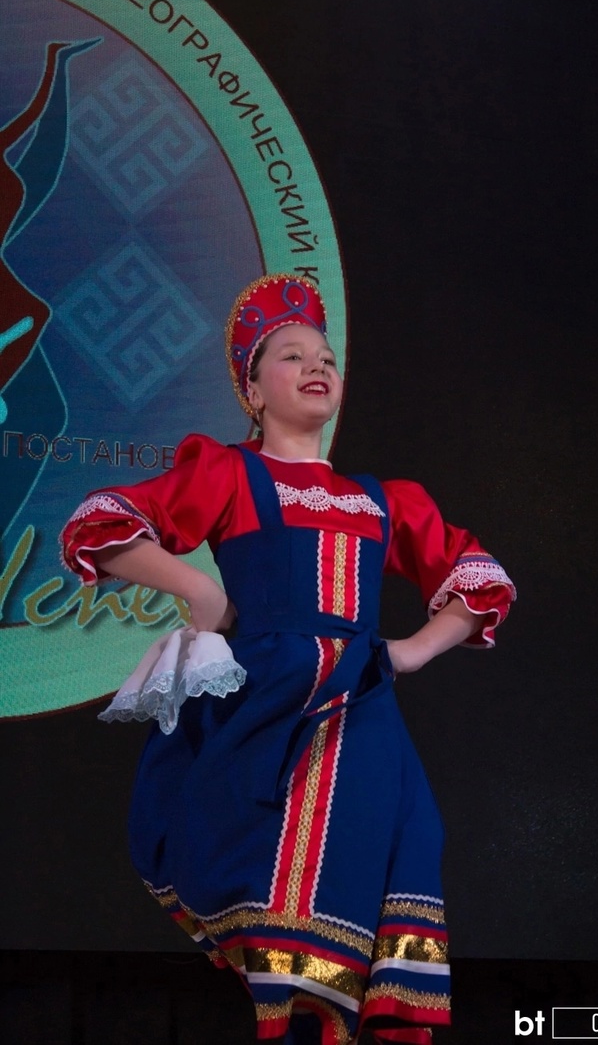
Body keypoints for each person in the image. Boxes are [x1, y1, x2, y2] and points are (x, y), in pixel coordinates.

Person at [61, 274, 516, 1045]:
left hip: (360, 717)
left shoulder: (382, 499)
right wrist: (198, 589)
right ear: (253, 389)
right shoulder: (228, 474)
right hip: (268, 712)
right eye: (293, 355)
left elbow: (479, 576)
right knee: (280, 905)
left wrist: (411, 650)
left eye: (327, 357)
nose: (317, 366)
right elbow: (101, 522)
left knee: (368, 889)